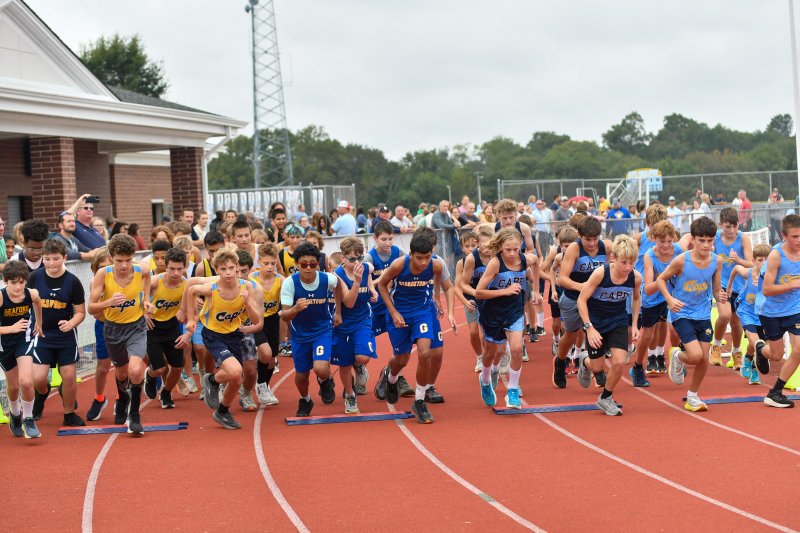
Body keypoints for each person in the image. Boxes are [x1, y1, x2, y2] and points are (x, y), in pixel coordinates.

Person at [373, 231, 456, 424]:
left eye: (427, 257)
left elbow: (444, 282)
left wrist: (442, 302)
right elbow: (382, 286)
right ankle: (390, 377)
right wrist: (393, 312)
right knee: (401, 358)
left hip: (422, 312)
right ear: (411, 254)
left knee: (425, 353)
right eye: (419, 258)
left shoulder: (436, 264)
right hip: (400, 313)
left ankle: (419, 401)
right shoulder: (399, 265)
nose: (424, 262)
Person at [186, 247, 262, 429]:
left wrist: (247, 303)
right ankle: (212, 382)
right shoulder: (211, 289)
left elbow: (256, 320)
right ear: (216, 270)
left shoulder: (246, 287)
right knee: (235, 372)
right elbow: (191, 290)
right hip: (213, 335)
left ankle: (222, 409)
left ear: (237, 268)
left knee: (237, 378)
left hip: (234, 334)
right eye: (223, 269)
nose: (228, 273)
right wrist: (191, 318)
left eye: (231, 268)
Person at [87, 234, 154, 435]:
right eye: (119, 261)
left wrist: (146, 300)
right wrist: (109, 302)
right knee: (122, 373)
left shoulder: (141, 269)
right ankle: (123, 397)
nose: (124, 265)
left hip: (136, 327)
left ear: (133, 257)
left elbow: (148, 278)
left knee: (135, 370)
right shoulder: (103, 274)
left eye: (128, 260)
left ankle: (134, 415)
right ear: (111, 257)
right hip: (113, 329)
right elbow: (91, 308)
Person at [657, 216, 724, 412]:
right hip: (682, 312)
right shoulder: (681, 260)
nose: (706, 245)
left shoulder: (717, 261)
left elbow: (716, 288)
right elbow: (661, 280)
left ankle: (693, 395)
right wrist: (670, 299)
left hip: (703, 313)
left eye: (710, 240)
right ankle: (677, 355)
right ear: (693, 239)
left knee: (704, 358)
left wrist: (720, 296)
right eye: (701, 240)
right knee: (695, 356)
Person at [475, 227, 541, 409]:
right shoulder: (495, 263)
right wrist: (505, 291)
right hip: (493, 312)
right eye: (508, 250)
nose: (512, 254)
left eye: (516, 249)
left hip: (514, 310)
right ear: (500, 248)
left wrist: (536, 290)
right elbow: (479, 292)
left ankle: (512, 390)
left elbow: (536, 262)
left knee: (517, 349)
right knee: (491, 353)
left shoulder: (525, 259)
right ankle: (485, 380)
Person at [577, 235, 641, 415]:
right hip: (595, 322)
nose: (628, 267)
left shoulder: (635, 277)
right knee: (597, 368)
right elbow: (581, 300)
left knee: (620, 361)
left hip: (617, 320)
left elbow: (636, 299)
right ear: (613, 258)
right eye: (624, 262)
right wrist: (589, 328)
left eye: (632, 262)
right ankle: (585, 361)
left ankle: (606, 397)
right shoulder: (600, 274)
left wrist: (635, 324)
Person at [26, 239, 86, 430]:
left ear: (65, 258)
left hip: (65, 336)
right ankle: (42, 393)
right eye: (47, 259)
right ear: (42, 258)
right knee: (38, 379)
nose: (51, 263)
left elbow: (81, 312)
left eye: (56, 259)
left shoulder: (73, 282)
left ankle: (69, 413)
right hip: (41, 334)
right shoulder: (34, 278)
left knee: (68, 376)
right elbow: (25, 303)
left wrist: (71, 323)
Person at [280, 243, 341, 417]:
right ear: (296, 264)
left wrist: (338, 311)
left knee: (320, 367)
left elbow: (338, 287)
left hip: (322, 330)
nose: (308, 268)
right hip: (299, 335)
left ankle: (325, 380)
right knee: (302, 375)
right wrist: (296, 309)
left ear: (318, 264)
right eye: (304, 264)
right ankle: (306, 399)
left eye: (312, 264)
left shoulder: (327, 279)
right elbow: (285, 316)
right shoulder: (290, 283)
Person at [554, 217, 613, 388]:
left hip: (595, 299)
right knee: (571, 335)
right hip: (573, 298)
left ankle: (596, 368)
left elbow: (612, 267)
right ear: (580, 236)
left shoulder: (606, 247)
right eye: (588, 239)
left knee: (596, 332)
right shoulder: (574, 249)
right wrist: (582, 287)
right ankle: (560, 361)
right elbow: (562, 279)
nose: (592, 243)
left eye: (595, 239)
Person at [755, 214, 800, 408]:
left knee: (798, 350)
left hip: (795, 309)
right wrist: (792, 285)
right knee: (776, 355)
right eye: (795, 237)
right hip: (771, 311)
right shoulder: (776, 255)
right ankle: (760, 350)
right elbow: (767, 290)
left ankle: (775, 392)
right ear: (784, 236)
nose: (799, 240)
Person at [364, 221, 412, 397]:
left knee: (401, 346)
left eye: (391, 239)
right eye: (384, 239)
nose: (388, 242)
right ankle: (359, 372)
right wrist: (383, 278)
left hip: (393, 306)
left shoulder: (399, 253)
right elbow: (365, 282)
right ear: (375, 239)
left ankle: (396, 376)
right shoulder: (369, 258)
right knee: (363, 350)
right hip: (374, 307)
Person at [632, 221, 682, 383]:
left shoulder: (679, 251)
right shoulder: (649, 256)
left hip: (672, 296)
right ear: (654, 239)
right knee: (647, 335)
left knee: (674, 328)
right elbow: (648, 288)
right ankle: (637, 366)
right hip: (653, 298)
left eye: (669, 241)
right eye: (662, 241)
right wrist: (665, 276)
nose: (666, 245)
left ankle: (673, 358)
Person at [332, 237, 378, 414]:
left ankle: (359, 366)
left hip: (363, 319)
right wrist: (357, 282)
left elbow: (370, 276)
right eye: (352, 259)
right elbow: (349, 303)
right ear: (343, 258)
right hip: (344, 322)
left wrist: (372, 290)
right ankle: (350, 395)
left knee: (363, 357)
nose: (357, 262)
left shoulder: (367, 267)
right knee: (344, 364)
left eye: (360, 258)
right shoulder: (338, 275)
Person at [141, 247, 190, 409]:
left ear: (184, 267)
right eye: (172, 269)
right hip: (153, 327)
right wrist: (143, 313)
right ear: (165, 267)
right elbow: (137, 295)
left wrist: (187, 325)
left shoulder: (186, 285)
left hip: (172, 326)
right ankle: (150, 374)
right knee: (159, 368)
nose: (176, 273)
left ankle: (166, 392)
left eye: (179, 269)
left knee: (177, 367)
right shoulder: (156, 281)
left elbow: (192, 310)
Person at [0, 260, 43, 438]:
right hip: (4, 344)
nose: (18, 287)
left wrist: (39, 324)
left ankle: (28, 418)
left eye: (22, 282)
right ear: (5, 281)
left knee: (26, 381)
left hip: (24, 340)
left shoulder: (31, 293)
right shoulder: (1, 297)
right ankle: (15, 413)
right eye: (14, 283)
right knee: (13, 385)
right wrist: (11, 328)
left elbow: (38, 303)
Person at [710, 207, 753, 368]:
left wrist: (738, 260)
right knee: (725, 315)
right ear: (721, 224)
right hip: (721, 284)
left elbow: (752, 264)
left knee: (736, 323)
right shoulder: (715, 239)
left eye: (735, 226)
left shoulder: (743, 239)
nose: (732, 230)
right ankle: (716, 346)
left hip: (740, 287)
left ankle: (736, 352)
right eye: (728, 227)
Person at [728, 244, 772, 386]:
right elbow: (736, 268)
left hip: (763, 314)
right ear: (753, 261)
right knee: (756, 342)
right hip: (747, 312)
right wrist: (729, 286)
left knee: (760, 345)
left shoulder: (772, 276)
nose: (764, 263)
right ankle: (752, 367)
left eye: (767, 260)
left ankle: (749, 359)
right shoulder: (748, 273)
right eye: (760, 260)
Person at [250, 243, 282, 406]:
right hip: (256, 320)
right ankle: (260, 385)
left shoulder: (280, 280)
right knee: (266, 353)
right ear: (259, 262)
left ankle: (264, 387)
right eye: (266, 263)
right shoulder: (251, 279)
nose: (270, 267)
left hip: (273, 321)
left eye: (273, 263)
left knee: (271, 359)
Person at [457, 227, 492, 373]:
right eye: (467, 246)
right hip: (470, 297)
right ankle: (479, 356)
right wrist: (465, 302)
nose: (470, 248)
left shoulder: (491, 257)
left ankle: (488, 358)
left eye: (473, 245)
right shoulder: (462, 263)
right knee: (473, 332)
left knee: (486, 332)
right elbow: (457, 287)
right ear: (462, 248)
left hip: (487, 297)